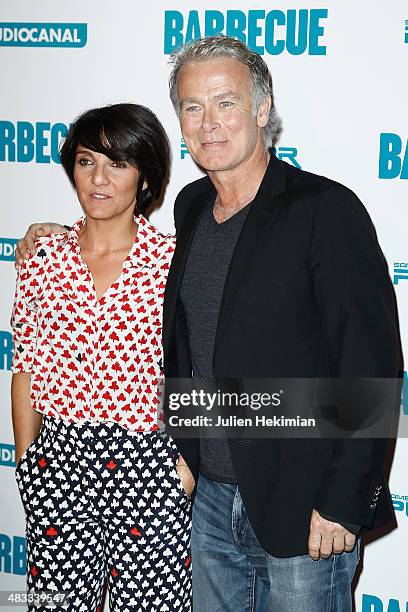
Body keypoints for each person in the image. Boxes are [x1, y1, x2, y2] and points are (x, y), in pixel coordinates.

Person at [16, 36, 401, 612]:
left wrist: (345, 499)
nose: (209, 122)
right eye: (192, 107)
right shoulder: (191, 207)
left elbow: (370, 364)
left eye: (225, 102)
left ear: (262, 109)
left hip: (301, 506)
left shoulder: (324, 209)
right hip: (204, 504)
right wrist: (53, 235)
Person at [11, 103, 192, 612]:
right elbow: (26, 363)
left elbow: (197, 364)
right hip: (58, 458)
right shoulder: (42, 257)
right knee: (52, 605)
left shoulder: (174, 262)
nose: (99, 179)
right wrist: (28, 460)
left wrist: (185, 464)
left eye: (117, 164)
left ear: (146, 178)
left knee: (154, 606)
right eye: (87, 160)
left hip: (149, 462)